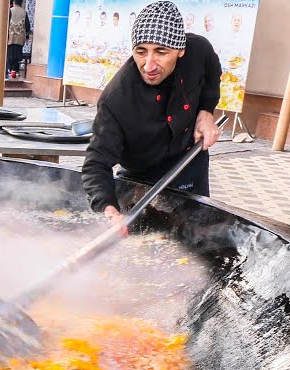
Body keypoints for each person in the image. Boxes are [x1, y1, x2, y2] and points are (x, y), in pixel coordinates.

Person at [82, 0, 222, 222]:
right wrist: (107, 208)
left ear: (181, 50)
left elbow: (213, 74)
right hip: (140, 176)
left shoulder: (199, 50)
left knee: (196, 232)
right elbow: (97, 163)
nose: (148, 65)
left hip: (189, 161)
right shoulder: (116, 99)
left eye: (161, 52)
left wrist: (206, 112)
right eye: (141, 51)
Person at [6, 0, 31, 77]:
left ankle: (9, 70)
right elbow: (27, 26)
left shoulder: (10, 10)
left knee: (9, 54)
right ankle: (15, 71)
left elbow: (6, 23)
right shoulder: (24, 12)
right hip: (20, 38)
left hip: (10, 37)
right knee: (17, 55)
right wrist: (27, 36)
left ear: (13, 2)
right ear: (21, 3)